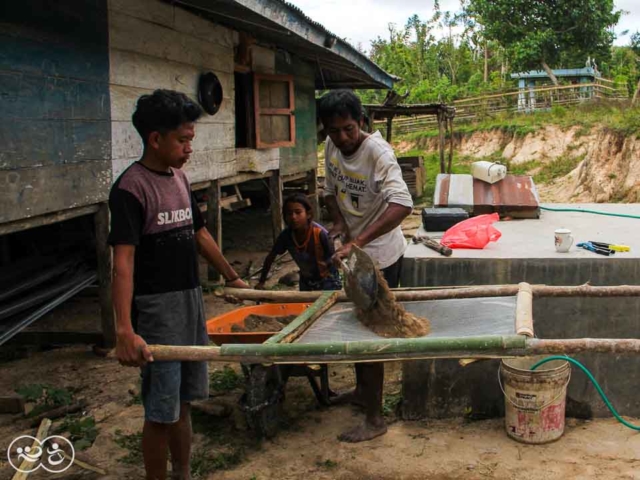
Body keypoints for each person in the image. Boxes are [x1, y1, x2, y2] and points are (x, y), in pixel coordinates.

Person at [108, 89, 249, 480]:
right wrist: (124, 330)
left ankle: (183, 473)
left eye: (191, 139)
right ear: (156, 139)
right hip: (157, 310)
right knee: (160, 410)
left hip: (189, 302)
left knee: (184, 402)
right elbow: (122, 263)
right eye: (183, 140)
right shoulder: (130, 189)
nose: (189, 148)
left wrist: (233, 277)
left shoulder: (181, 179)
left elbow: (200, 235)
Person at [319, 89, 413, 443]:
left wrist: (357, 241)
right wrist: (341, 223)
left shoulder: (378, 153)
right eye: (333, 131)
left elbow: (402, 204)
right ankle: (362, 393)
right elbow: (329, 190)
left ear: (361, 122)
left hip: (383, 257)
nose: (342, 138)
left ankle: (375, 419)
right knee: (360, 325)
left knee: (371, 332)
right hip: (355, 254)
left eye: (348, 129)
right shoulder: (332, 147)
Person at [256, 193, 342, 292]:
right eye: (289, 213)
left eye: (298, 212)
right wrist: (261, 282)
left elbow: (334, 259)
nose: (293, 217)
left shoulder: (320, 234)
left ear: (308, 214)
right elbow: (271, 257)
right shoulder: (286, 236)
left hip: (328, 281)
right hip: (306, 281)